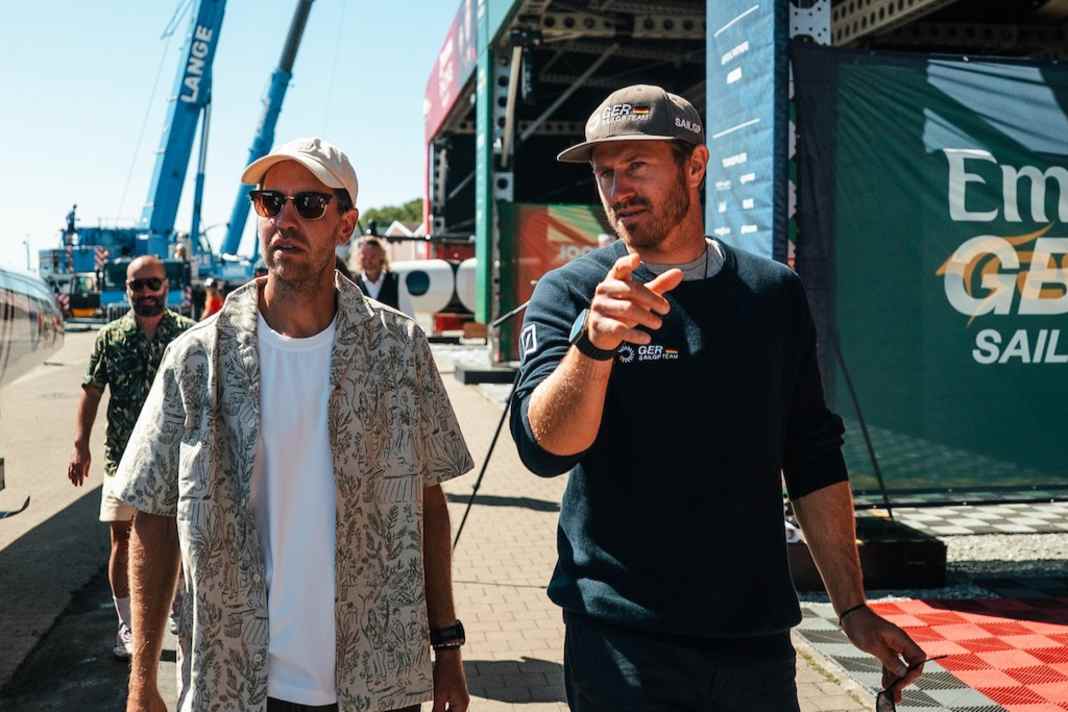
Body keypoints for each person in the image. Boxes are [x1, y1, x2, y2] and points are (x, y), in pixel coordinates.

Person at [508, 85, 926, 711]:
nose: (618, 188)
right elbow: (543, 449)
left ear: (695, 165)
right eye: (604, 172)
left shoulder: (771, 293)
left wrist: (852, 607)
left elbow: (811, 455)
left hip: (753, 642)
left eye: (637, 166)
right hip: (620, 641)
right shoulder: (571, 293)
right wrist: (594, 346)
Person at [113, 137, 474, 712]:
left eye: (309, 204)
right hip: (235, 680)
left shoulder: (399, 350)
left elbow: (428, 504)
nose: (284, 219)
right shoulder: (197, 358)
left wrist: (447, 649)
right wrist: (140, 682)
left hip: (377, 679)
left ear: (346, 223)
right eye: (269, 201)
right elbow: (152, 519)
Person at [66, 255, 195, 660]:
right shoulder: (110, 338)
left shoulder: (187, 335)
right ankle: (128, 623)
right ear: (127, 289)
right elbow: (91, 391)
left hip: (173, 458)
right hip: (121, 458)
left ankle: (176, 609)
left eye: (152, 284)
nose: (145, 293)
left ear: (166, 287)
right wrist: (80, 444)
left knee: (175, 537)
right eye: (137, 285)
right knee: (121, 539)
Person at [352, 235, 414, 316]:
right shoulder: (353, 282)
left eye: (372, 256)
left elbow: (408, 315)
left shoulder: (396, 281)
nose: (368, 261)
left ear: (381, 256)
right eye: (364, 257)